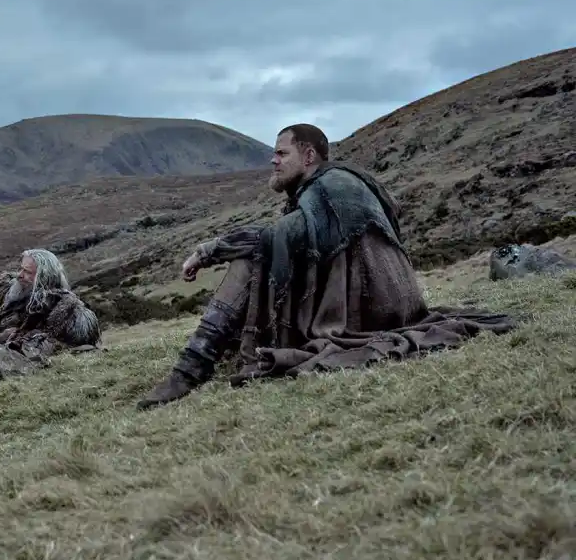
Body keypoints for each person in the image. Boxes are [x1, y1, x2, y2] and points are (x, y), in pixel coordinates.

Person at [137, 124, 514, 410]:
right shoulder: (326, 187)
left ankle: (191, 368)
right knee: (265, 253)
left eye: (281, 153)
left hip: (371, 310)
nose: (273, 161)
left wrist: (209, 251)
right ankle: (204, 357)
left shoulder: (334, 187)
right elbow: (289, 236)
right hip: (381, 303)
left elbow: (274, 237)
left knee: (250, 261)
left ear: (308, 156)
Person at [0, 248, 101, 349]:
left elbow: (49, 342)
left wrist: (4, 337)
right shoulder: (8, 291)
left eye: (28, 272)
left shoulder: (61, 307)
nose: (20, 275)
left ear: (44, 277)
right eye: (21, 269)